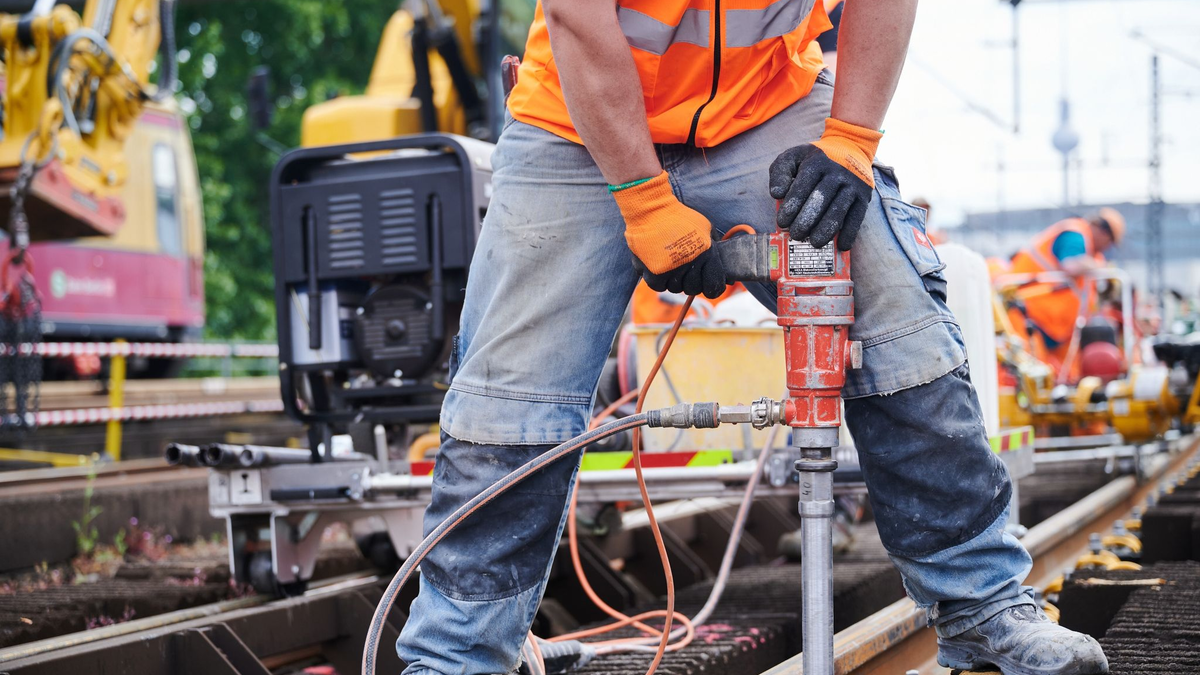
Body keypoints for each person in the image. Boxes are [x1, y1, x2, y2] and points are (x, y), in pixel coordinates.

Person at [396, 0, 1110, 673]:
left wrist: (851, 142)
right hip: (578, 120)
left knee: (898, 323)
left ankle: (984, 604)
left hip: (764, 105)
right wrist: (644, 199)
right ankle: (460, 652)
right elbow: (579, 18)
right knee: (508, 401)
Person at [1008, 208, 1126, 369]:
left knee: (1054, 379)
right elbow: (1071, 264)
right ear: (1104, 233)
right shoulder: (1076, 234)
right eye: (1110, 242)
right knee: (1032, 376)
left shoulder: (1092, 255)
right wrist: (1102, 268)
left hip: (1054, 329)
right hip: (1029, 316)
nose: (1108, 247)